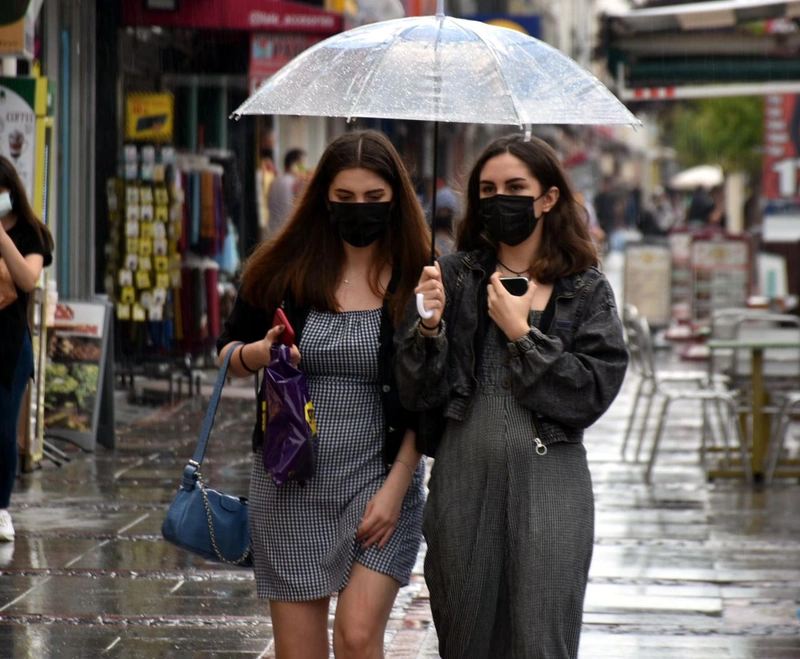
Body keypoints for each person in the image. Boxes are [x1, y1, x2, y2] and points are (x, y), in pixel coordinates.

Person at [395, 134, 628, 658]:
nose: (501, 199)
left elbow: (591, 391)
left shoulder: (585, 289)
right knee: (465, 636)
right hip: (464, 481)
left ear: (547, 198)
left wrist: (524, 336)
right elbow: (415, 393)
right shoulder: (450, 278)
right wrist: (427, 329)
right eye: (488, 189)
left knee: (543, 639)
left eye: (516, 187)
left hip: (553, 484)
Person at [216, 130, 430, 659]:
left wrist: (397, 487)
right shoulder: (281, 270)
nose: (360, 211)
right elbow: (226, 355)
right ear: (323, 200)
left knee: (358, 638)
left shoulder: (421, 278)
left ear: (395, 201)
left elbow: (432, 392)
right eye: (346, 200)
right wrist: (259, 354)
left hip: (381, 480)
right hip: (290, 481)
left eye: (375, 200)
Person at [0, 156, 54, 543]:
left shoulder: (32, 234)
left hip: (10, 345)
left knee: (3, 430)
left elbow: (27, 279)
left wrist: (0, 238)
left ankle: (1, 508)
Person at [266, 148, 306, 238]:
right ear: (294, 164)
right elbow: (289, 210)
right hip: (285, 234)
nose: (303, 169)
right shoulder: (291, 183)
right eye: (302, 165)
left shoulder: (276, 180)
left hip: (272, 231)